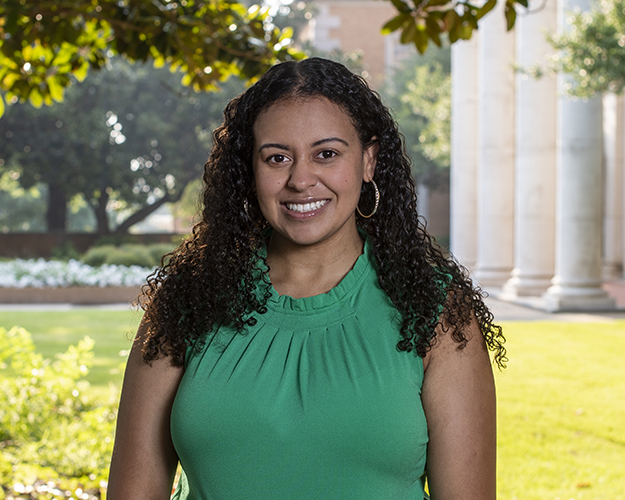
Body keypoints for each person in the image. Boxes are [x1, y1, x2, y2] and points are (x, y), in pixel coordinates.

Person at [107, 57, 506, 500]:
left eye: (327, 154)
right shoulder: (188, 301)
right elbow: (134, 491)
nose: (301, 179)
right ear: (251, 170)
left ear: (368, 160)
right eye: (277, 157)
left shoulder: (435, 311)